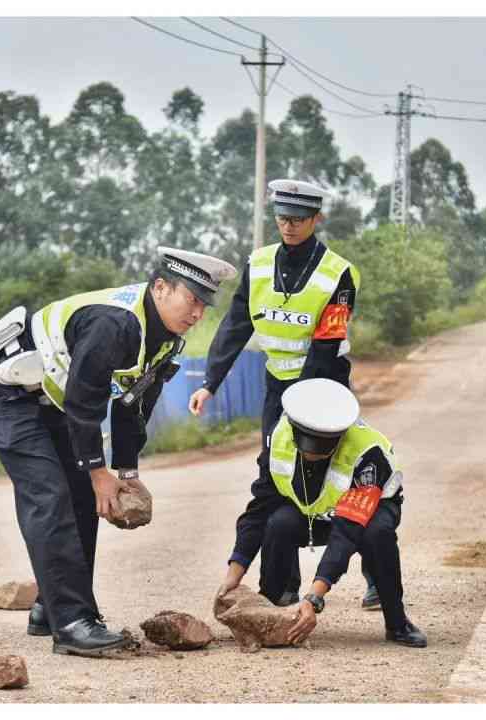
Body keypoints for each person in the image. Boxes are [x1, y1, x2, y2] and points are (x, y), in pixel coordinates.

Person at [0, 247, 236, 658]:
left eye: (204, 303)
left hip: (49, 402)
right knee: (50, 496)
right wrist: (97, 471)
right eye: (192, 299)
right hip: (5, 397)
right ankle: (73, 625)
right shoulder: (115, 323)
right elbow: (84, 401)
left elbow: (132, 404)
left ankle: (52, 609)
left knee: (82, 500)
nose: (198, 312)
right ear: (161, 288)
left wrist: (125, 471)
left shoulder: (165, 339)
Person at [188, 179, 380, 610]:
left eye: (297, 219)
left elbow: (326, 343)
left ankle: (375, 577)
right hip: (277, 385)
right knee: (277, 474)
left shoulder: (337, 272)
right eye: (281, 218)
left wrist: (303, 411)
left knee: (351, 473)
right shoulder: (257, 265)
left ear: (317, 219)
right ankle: (281, 585)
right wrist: (209, 383)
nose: (288, 226)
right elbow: (235, 327)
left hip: (325, 384)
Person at [215, 378, 427, 648]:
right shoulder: (280, 439)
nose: (313, 455)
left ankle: (397, 623)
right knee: (279, 522)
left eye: (324, 449)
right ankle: (269, 606)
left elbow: (347, 532)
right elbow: (259, 508)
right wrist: (234, 575)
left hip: (371, 512)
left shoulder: (367, 455)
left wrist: (314, 598)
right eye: (307, 449)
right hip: (314, 510)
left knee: (377, 534)